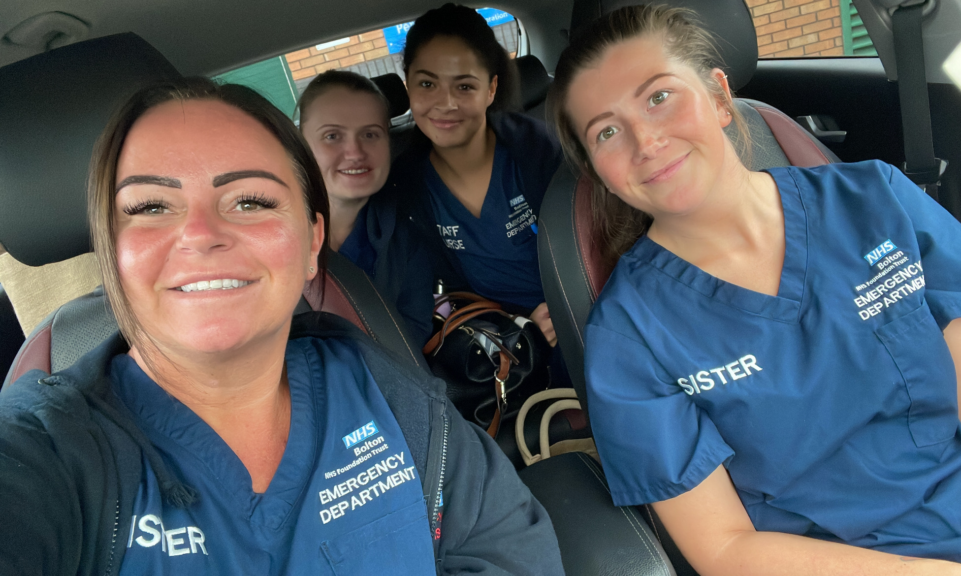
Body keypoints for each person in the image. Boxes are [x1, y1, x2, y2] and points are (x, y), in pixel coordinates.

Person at [0, 77, 563, 575]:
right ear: (113, 250)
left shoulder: (388, 393)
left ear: (311, 243)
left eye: (249, 200)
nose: (200, 234)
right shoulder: (47, 450)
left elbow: (513, 548)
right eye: (149, 207)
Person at [549, 5, 961, 574]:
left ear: (720, 97)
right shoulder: (629, 333)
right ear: (597, 167)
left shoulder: (878, 199)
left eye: (658, 96)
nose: (645, 140)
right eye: (606, 130)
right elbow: (723, 546)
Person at [388, 3, 562, 347]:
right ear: (408, 86)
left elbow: (594, 237)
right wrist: (513, 326)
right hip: (500, 344)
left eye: (464, 86)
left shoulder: (537, 151)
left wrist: (568, 302)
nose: (445, 103)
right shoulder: (405, 186)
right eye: (427, 83)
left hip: (576, 309)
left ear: (491, 89)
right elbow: (433, 292)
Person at [297, 70, 434, 346]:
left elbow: (412, 335)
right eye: (332, 136)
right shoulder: (267, 235)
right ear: (301, 145)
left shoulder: (405, 237)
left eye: (371, 134)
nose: (355, 152)